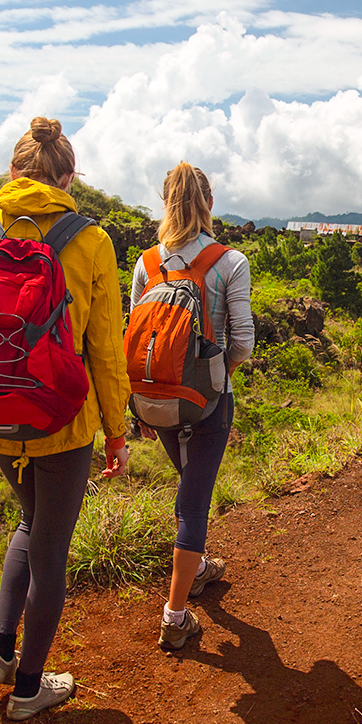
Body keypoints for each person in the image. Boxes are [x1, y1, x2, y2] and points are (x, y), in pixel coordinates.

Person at [0, 117, 131, 721]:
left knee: (29, 521)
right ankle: (29, 690)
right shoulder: (91, 240)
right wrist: (116, 432)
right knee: (52, 547)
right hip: (62, 421)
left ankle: (0, 651)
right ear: (69, 177)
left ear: (12, 171)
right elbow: (105, 347)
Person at [128, 163, 254, 651]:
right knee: (195, 501)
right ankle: (175, 615)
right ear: (210, 204)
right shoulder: (230, 261)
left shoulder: (146, 263)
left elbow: (133, 336)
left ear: (164, 204)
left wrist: (137, 402)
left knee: (187, 485)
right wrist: (219, 375)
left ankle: (196, 568)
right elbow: (240, 341)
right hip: (208, 400)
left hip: (154, 397)